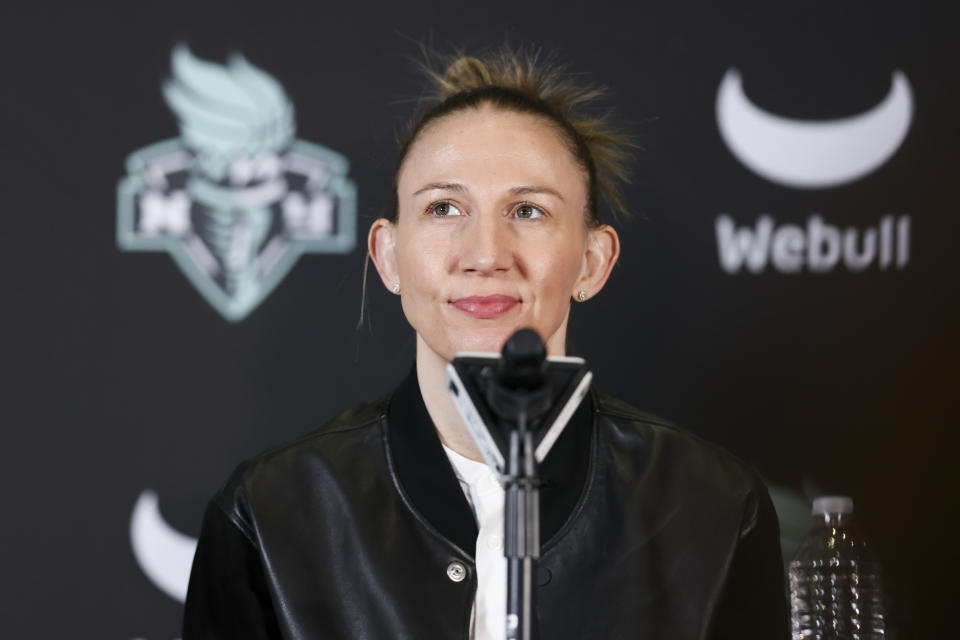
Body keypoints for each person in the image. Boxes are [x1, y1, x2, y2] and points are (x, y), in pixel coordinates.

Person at [182, 48, 789, 640]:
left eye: (527, 211)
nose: (484, 254)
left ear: (592, 262)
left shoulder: (713, 505)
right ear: (388, 257)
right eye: (444, 207)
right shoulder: (268, 512)